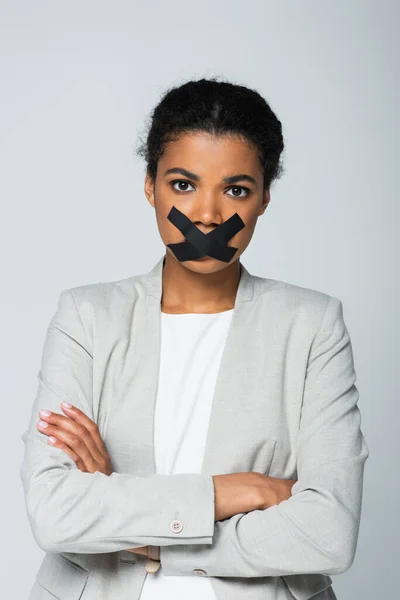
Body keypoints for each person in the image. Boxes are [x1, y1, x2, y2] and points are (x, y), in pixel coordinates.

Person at [20, 77, 369, 600]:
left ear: (265, 198)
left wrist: (140, 523)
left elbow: (328, 533)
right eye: (183, 184)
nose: (207, 214)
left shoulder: (312, 325)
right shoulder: (86, 317)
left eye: (235, 189)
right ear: (149, 185)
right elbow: (53, 512)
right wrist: (229, 493)